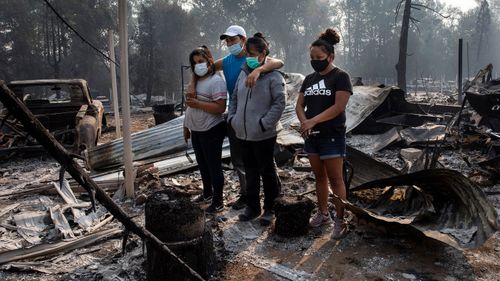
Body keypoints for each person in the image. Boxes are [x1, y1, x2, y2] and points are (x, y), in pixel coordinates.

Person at [216, 25, 284, 210]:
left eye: (234, 40)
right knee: (247, 166)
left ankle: (272, 203)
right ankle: (250, 202)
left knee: (267, 167)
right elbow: (235, 96)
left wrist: (265, 123)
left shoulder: (267, 70)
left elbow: (279, 102)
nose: (230, 44)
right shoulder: (235, 67)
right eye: (228, 41)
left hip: (262, 128)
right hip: (241, 125)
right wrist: (233, 118)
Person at [295, 28, 353, 239]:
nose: (315, 61)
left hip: (332, 135)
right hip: (312, 136)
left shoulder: (341, 76)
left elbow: (338, 107)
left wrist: (313, 120)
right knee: (319, 176)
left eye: (319, 58)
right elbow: (299, 104)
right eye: (312, 58)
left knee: (336, 179)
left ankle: (340, 219)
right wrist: (305, 123)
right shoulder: (309, 79)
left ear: (330, 56)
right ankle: (323, 213)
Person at [183, 46, 227, 213]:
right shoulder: (194, 82)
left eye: (201, 61)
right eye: (194, 63)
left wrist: (199, 104)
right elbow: (189, 107)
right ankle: (207, 193)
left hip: (212, 129)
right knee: (202, 164)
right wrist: (186, 126)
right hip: (196, 129)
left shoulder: (216, 81)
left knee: (213, 165)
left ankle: (218, 201)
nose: (198, 65)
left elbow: (221, 107)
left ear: (209, 60)